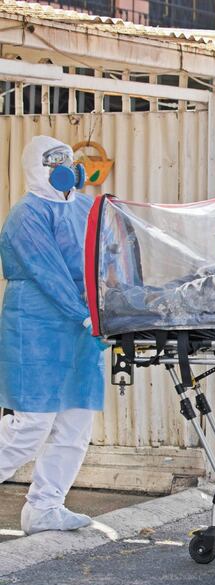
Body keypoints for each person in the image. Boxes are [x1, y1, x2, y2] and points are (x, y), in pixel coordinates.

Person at [0, 136, 105, 535]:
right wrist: (84, 314)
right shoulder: (26, 214)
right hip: (38, 329)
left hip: (82, 335)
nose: (66, 167)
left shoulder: (86, 207)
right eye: (54, 161)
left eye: (67, 159)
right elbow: (48, 272)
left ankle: (45, 508)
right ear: (36, 168)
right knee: (29, 428)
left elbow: (105, 255)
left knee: (75, 427)